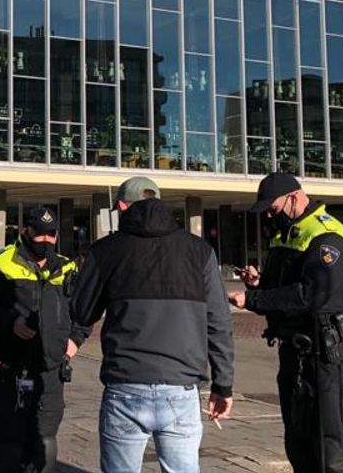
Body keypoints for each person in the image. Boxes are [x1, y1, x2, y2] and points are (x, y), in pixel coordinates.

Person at [71, 176, 235, 473]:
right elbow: (219, 322)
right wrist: (223, 385)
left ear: (122, 207)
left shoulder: (106, 250)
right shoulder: (199, 251)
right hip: (181, 387)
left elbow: (81, 312)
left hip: (126, 384)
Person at [227, 173, 343, 473]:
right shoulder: (285, 234)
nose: (269, 217)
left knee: (329, 446)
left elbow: (311, 295)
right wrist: (259, 284)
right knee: (298, 441)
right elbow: (284, 288)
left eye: (273, 209)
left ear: (294, 198)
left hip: (324, 352)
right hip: (294, 351)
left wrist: (254, 300)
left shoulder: (328, 236)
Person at [0, 206, 90, 473]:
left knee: (44, 443)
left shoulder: (66, 267)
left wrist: (75, 340)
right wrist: (11, 323)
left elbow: (84, 310)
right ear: (26, 231)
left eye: (51, 234)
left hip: (50, 369)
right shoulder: (1, 262)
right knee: (6, 446)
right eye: (40, 234)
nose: (46, 240)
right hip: (8, 367)